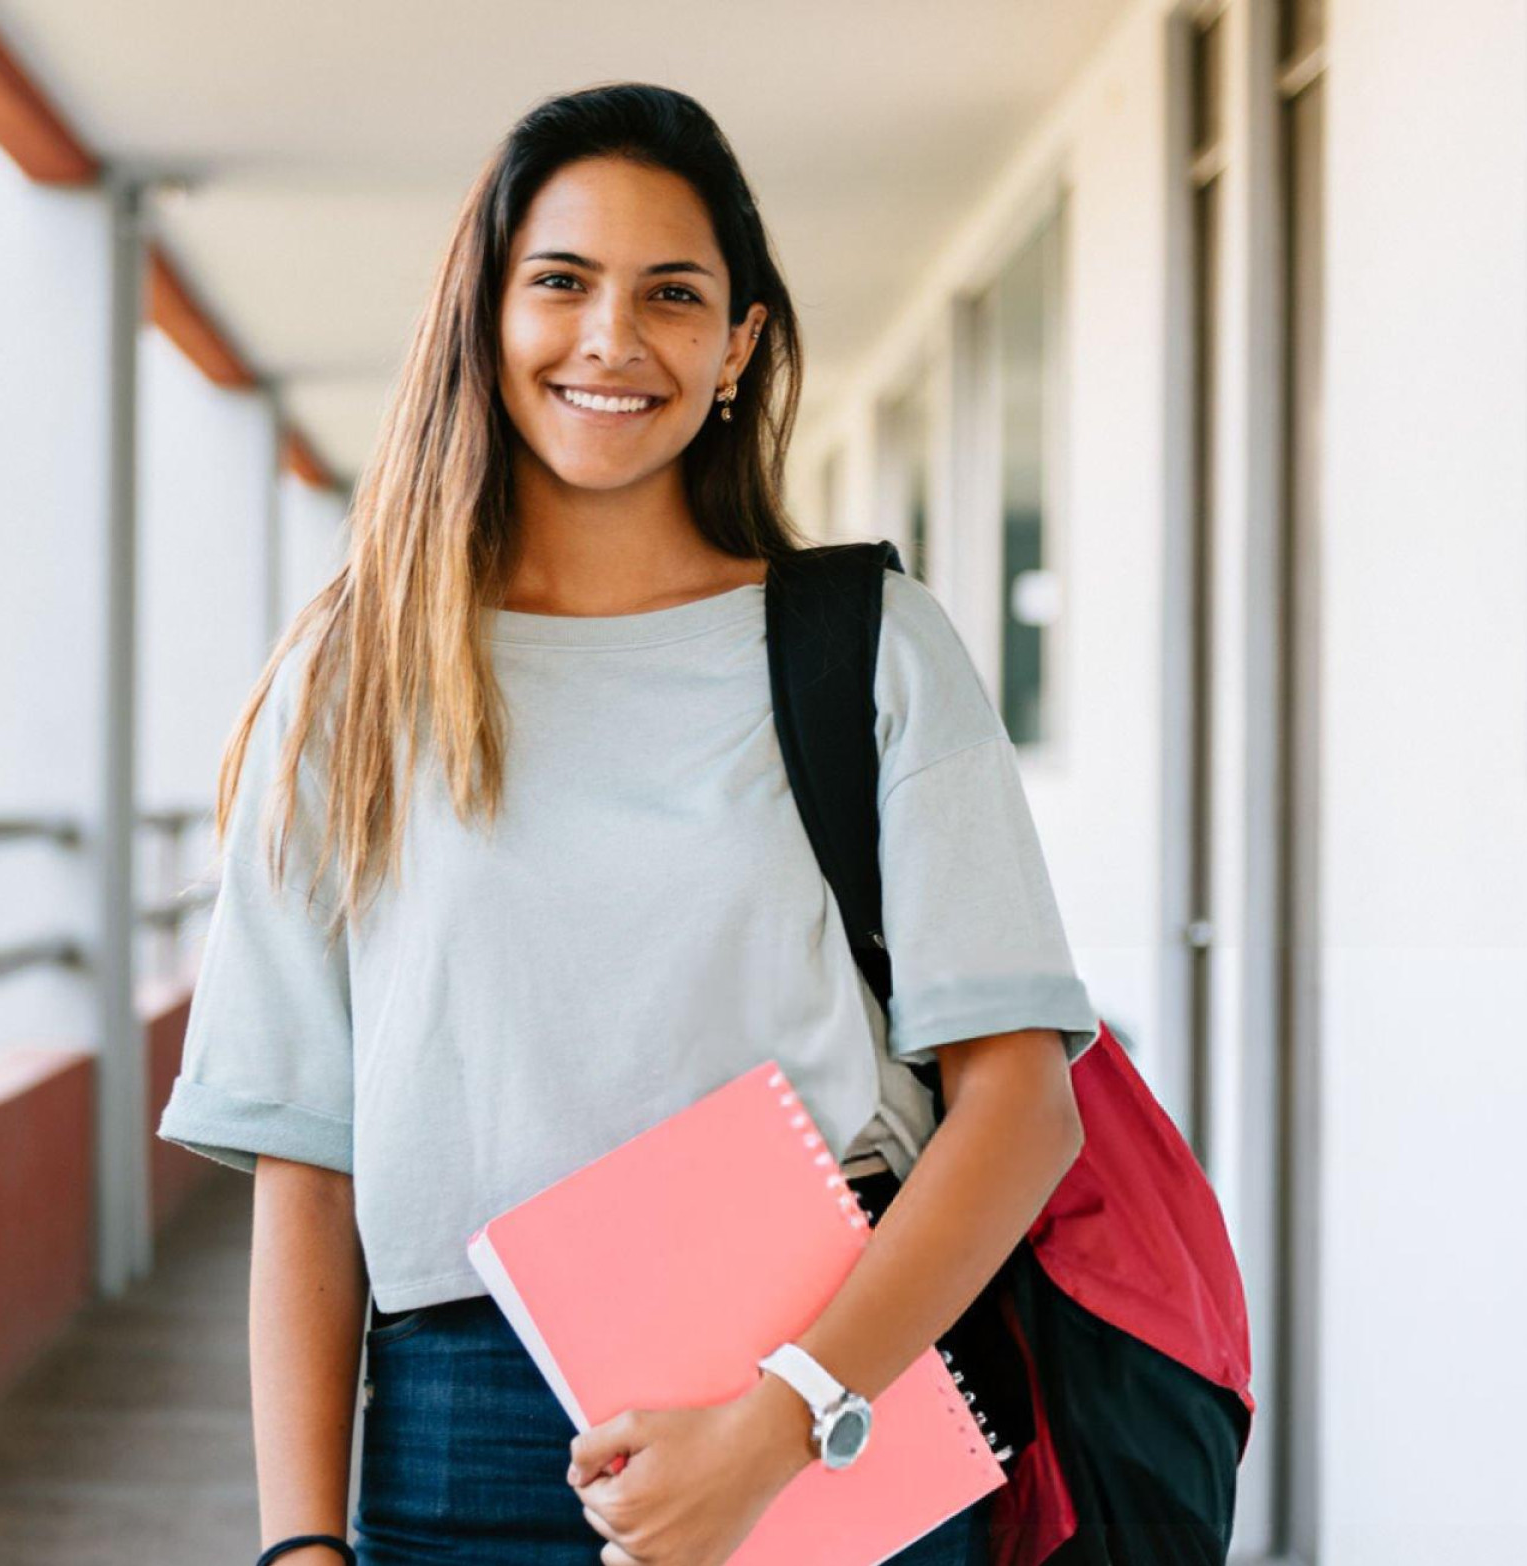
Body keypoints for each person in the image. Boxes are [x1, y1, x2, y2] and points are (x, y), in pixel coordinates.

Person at [155, 81, 1099, 1566]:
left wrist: (779, 1416)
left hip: (826, 1394)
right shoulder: (356, 677)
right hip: (459, 1435)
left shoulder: (869, 647)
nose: (611, 337)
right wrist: (296, 1544)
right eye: (560, 281)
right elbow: (308, 1160)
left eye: (672, 293)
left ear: (737, 345)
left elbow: (1020, 1102)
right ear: (483, 316)